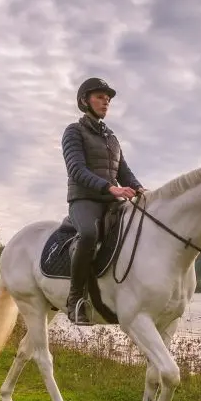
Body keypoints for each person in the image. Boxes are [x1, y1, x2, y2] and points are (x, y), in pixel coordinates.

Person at [62, 77, 145, 325]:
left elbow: (124, 172)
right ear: (84, 101)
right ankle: (75, 298)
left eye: (107, 99)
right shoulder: (73, 131)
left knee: (138, 227)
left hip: (111, 200)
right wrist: (110, 188)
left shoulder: (112, 138)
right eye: (100, 97)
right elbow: (76, 169)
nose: (105, 102)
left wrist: (139, 188)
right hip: (84, 200)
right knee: (88, 234)